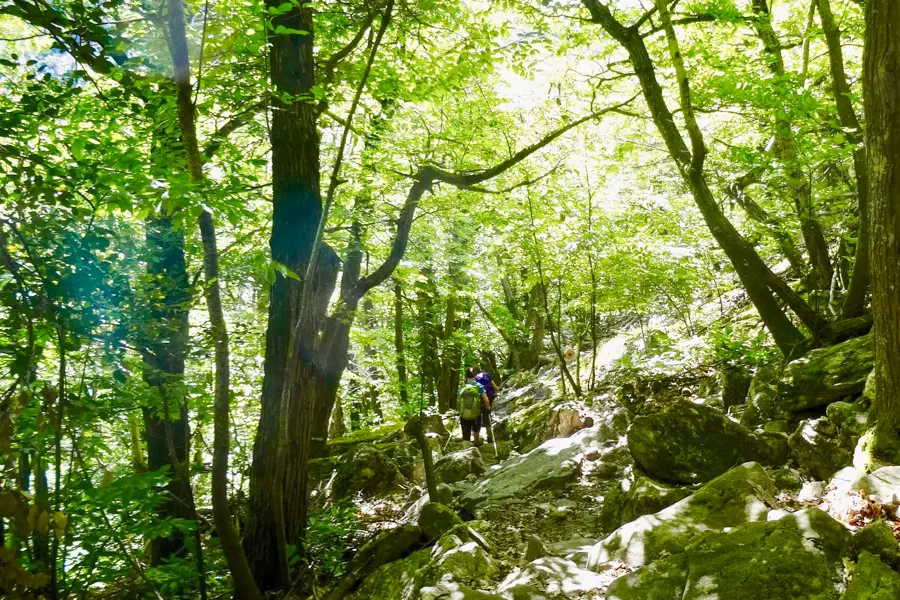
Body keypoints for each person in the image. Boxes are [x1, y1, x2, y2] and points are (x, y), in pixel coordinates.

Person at [458, 367, 491, 444]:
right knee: (476, 428)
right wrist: (487, 408)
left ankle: (466, 449)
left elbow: (459, 400)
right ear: (475, 375)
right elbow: (486, 399)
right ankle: (476, 442)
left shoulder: (462, 387)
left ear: (466, 376)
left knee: (466, 432)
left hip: (464, 413)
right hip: (476, 412)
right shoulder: (478, 386)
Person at [474, 368, 498, 443]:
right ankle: (490, 436)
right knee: (487, 416)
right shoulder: (488, 378)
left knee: (477, 418)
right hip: (489, 399)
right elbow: (496, 388)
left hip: (479, 400)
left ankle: (476, 438)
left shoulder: (475, 380)